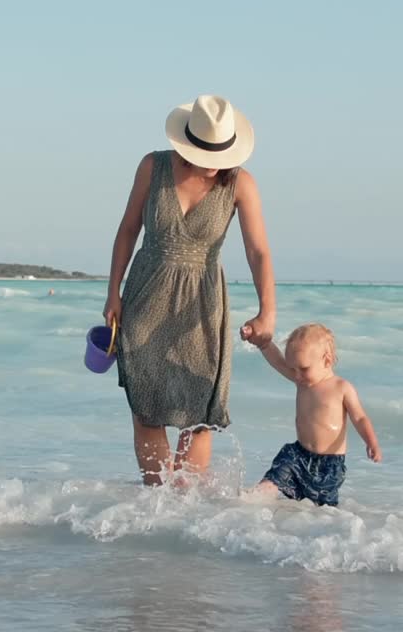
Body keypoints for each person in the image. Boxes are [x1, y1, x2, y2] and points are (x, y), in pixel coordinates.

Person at [103, 94, 276, 485]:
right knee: (145, 406)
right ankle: (156, 503)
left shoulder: (241, 184)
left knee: (197, 413)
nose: (214, 165)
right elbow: (128, 229)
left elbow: (259, 250)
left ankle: (186, 508)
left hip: (202, 304)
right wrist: (112, 292)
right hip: (146, 295)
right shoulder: (153, 166)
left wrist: (268, 310)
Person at [253, 323, 382, 506]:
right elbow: (279, 363)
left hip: (328, 465)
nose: (296, 375)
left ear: (327, 360)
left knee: (321, 510)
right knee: (277, 475)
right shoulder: (302, 381)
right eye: (294, 369)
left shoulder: (341, 388)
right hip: (298, 454)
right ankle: (254, 498)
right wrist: (263, 344)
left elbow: (360, 418)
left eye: (303, 369)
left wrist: (372, 442)